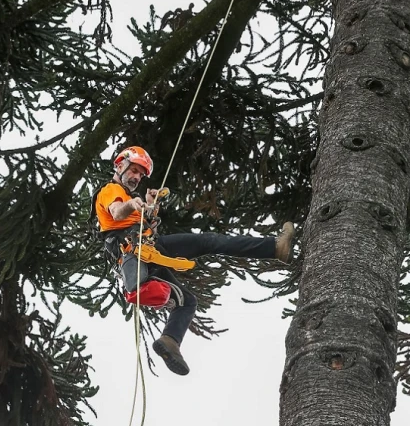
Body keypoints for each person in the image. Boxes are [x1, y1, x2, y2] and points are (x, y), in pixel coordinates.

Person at [92, 146, 295, 375]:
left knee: (188, 300)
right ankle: (275, 248)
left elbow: (144, 224)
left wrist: (149, 207)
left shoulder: (132, 198)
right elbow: (116, 211)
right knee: (207, 246)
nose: (137, 177)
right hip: (139, 253)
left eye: (140, 174)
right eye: (134, 170)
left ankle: (170, 341)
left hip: (149, 251)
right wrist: (132, 204)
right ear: (120, 165)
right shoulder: (110, 190)